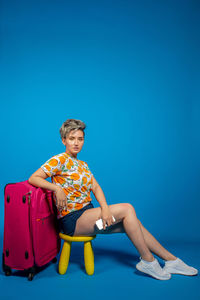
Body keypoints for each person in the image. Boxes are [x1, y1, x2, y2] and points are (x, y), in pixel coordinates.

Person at [28, 119, 198, 280]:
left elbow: (96, 188)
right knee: (127, 208)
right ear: (64, 140)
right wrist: (56, 188)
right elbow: (33, 178)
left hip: (91, 217)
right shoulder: (59, 160)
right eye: (72, 138)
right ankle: (148, 261)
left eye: (80, 139)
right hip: (73, 221)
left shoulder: (83, 165)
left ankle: (171, 261)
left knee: (132, 223)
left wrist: (105, 210)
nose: (76, 143)